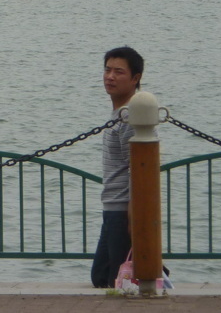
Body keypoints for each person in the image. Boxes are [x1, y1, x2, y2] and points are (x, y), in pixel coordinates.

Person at [91, 46, 144, 289]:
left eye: (119, 72)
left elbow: (138, 169)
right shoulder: (117, 114)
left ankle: (154, 275)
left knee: (119, 281)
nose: (110, 76)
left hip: (122, 209)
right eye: (107, 70)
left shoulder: (130, 116)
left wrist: (133, 216)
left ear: (135, 78)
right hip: (112, 206)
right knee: (102, 277)